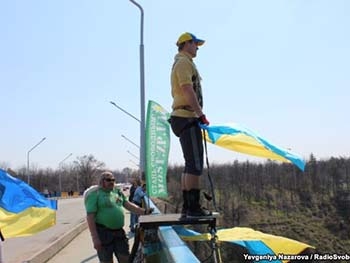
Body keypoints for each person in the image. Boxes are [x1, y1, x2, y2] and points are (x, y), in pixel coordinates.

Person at [169, 32, 211, 218]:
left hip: (182, 117)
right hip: (186, 116)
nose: (197, 48)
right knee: (195, 165)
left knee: (190, 164)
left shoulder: (182, 62)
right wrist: (200, 114)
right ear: (186, 44)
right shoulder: (184, 63)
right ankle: (193, 207)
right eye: (195, 44)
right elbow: (187, 89)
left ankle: (188, 205)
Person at [84, 171, 153, 263]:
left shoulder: (117, 191)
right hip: (103, 234)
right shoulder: (95, 194)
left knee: (126, 258)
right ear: (101, 181)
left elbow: (127, 204)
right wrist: (95, 238)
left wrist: (143, 211)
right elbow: (90, 217)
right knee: (106, 260)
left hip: (119, 233)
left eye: (113, 180)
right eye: (108, 180)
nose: (111, 182)